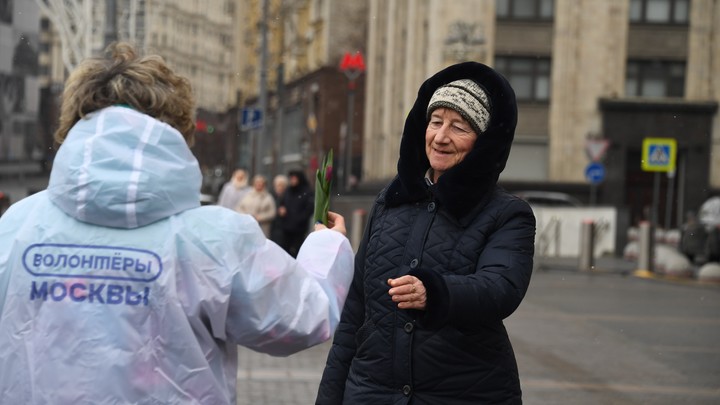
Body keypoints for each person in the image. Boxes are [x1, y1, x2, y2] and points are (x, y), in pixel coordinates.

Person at [0, 42, 354, 405]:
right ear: (177, 126)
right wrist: (328, 248)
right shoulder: (214, 238)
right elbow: (303, 318)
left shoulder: (16, 227)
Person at [316, 62, 536, 404]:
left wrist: (436, 292)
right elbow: (355, 313)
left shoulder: (507, 213)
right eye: (435, 122)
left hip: (465, 392)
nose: (441, 137)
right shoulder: (391, 201)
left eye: (459, 127)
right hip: (372, 392)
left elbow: (501, 289)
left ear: (482, 141)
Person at [278, 169, 314, 257]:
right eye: (291, 179)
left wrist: (300, 219)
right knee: (285, 249)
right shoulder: (288, 190)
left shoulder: (307, 191)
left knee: (297, 250)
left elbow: (309, 209)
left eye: (294, 179)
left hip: (299, 228)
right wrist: (281, 210)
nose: (292, 181)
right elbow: (282, 203)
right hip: (287, 226)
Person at [270, 174, 289, 245]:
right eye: (278, 185)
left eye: (282, 185)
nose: (279, 187)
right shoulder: (271, 195)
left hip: (284, 225)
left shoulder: (288, 195)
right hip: (273, 224)